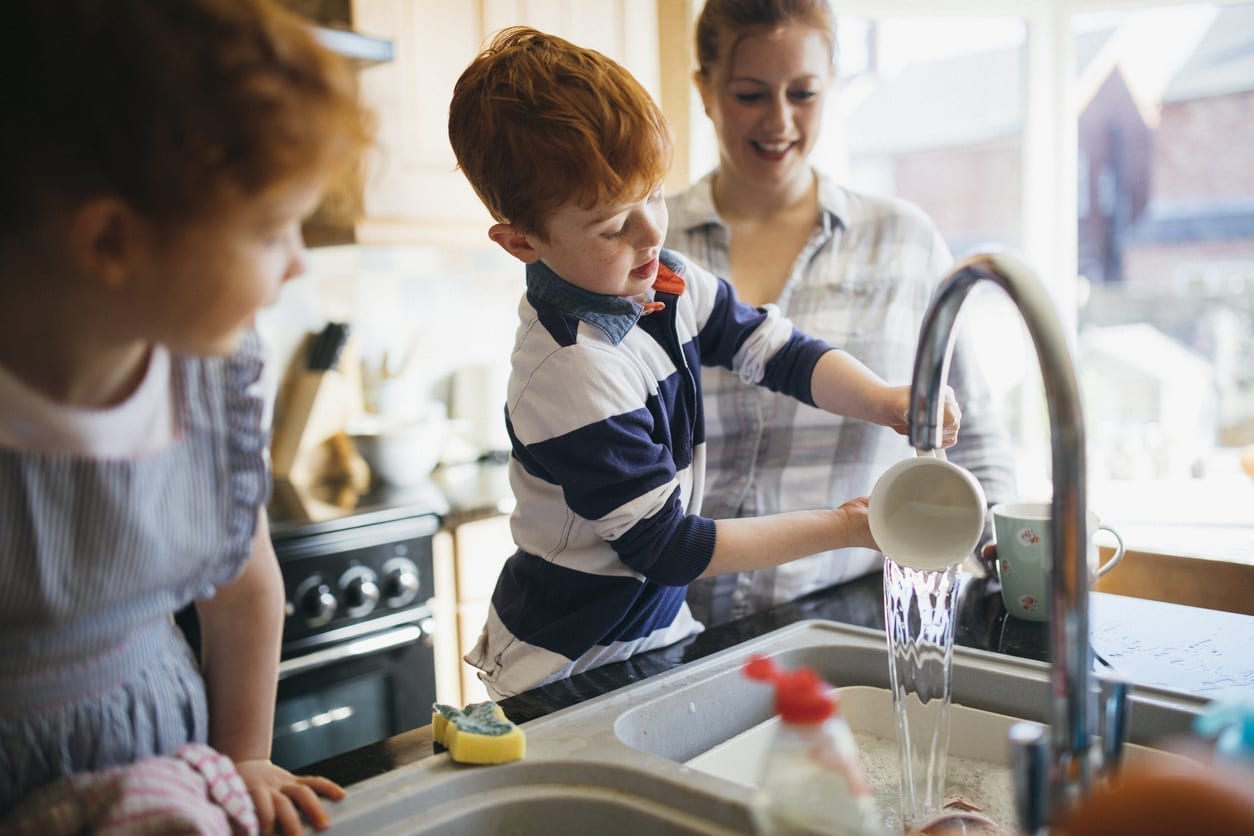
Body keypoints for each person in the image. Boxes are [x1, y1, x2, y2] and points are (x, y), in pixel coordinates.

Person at [446, 27, 962, 699]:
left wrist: (885, 400)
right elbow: (671, 548)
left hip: (653, 640)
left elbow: (778, 351)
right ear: (521, 242)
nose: (650, 232)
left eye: (654, 195)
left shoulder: (662, 281)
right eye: (611, 224)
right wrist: (847, 528)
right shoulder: (570, 371)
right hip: (565, 666)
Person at [0, 1, 371, 831]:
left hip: (169, 759)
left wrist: (243, 757)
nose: (297, 263)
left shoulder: (211, 376)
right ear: (110, 245)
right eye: (273, 230)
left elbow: (242, 589)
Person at [666, 0, 1017, 625]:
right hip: (674, 625)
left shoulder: (903, 241)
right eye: (750, 94)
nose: (780, 121)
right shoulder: (650, 249)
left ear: (831, 86)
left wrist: (1008, 567)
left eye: (803, 93)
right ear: (704, 89)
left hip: (856, 615)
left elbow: (976, 438)